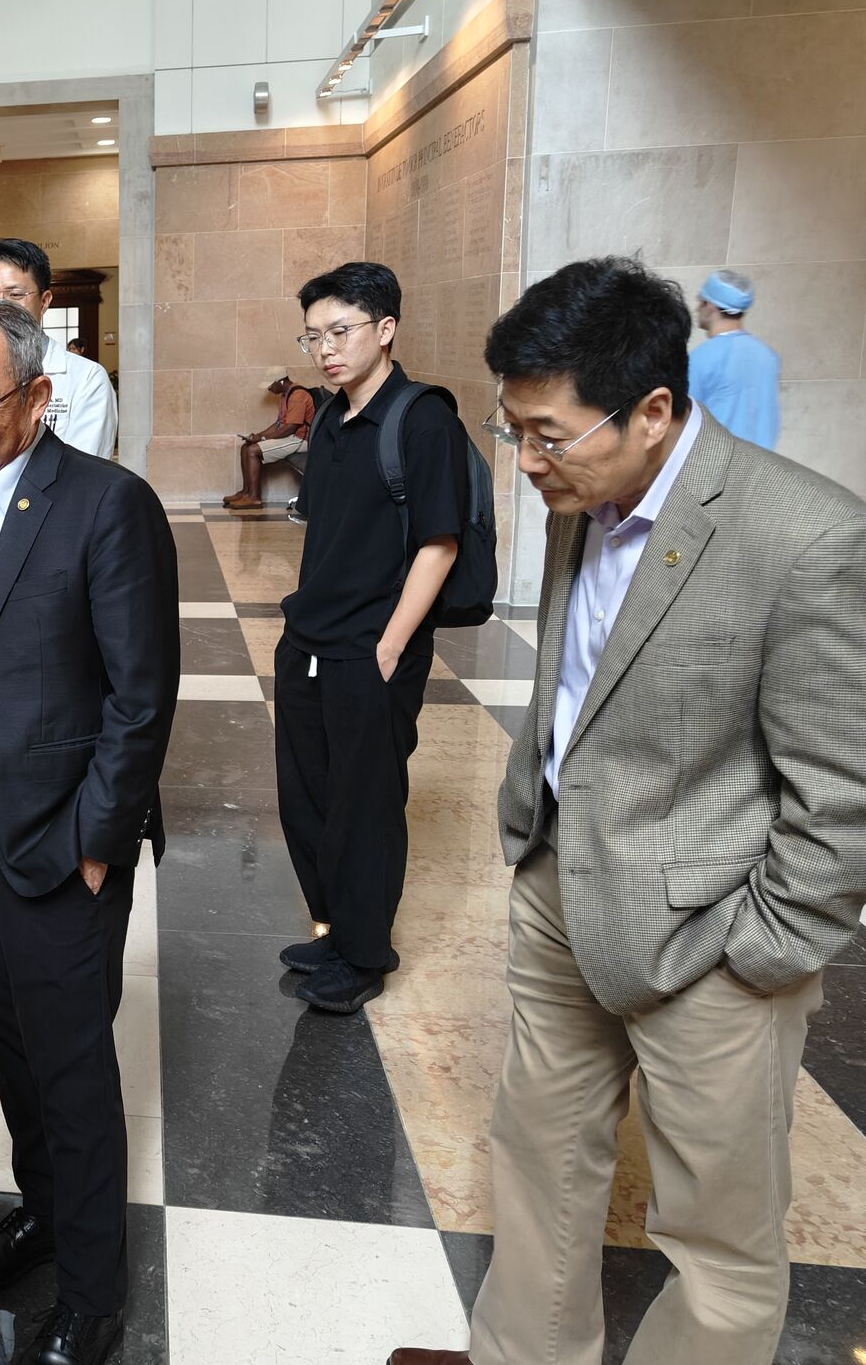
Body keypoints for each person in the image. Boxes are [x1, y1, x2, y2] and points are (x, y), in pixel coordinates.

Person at [390, 258, 866, 1365]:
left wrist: (764, 948)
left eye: (547, 433)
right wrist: (534, 839)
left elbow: (840, 792)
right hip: (563, 884)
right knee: (539, 1160)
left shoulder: (802, 539)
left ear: (652, 410)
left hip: (714, 929)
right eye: (515, 431)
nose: (526, 461)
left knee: (715, 1232)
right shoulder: (581, 493)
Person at [0, 295, 178, 1365]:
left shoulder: (105, 505)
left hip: (62, 836)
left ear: (35, 395)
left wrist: (95, 844)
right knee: (7, 1045)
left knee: (70, 1067)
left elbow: (140, 697)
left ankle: (93, 1292)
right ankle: (38, 1211)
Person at [274, 262, 465, 1014]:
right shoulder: (327, 416)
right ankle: (335, 929)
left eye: (341, 331)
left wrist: (389, 648)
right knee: (309, 796)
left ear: (385, 330)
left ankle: (364, 952)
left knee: (367, 803)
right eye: (314, 335)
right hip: (310, 638)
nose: (326, 348)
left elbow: (438, 543)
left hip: (371, 649)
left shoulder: (423, 420)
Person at [0, 238, 118, 458]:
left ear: (44, 301)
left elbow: (82, 473)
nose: (1, 307)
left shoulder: (86, 379)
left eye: (16, 295)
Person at [687, 268, 779, 450]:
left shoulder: (703, 357)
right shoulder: (767, 356)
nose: (697, 308)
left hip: (717, 466)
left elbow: (683, 421)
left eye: (701, 301)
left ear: (710, 306)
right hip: (761, 467)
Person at [225, 369, 316, 508]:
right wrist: (257, 436)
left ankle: (254, 498)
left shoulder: (298, 395)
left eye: (270, 385)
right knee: (246, 447)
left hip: (300, 440)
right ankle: (246, 492)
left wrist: (262, 438)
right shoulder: (286, 395)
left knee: (252, 451)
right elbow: (278, 424)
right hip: (291, 436)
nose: (269, 388)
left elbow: (290, 428)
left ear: (281, 381)